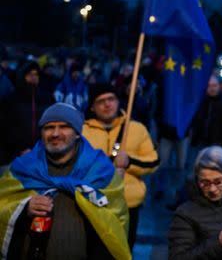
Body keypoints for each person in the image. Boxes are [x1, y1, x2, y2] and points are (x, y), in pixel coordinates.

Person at [0, 103, 130, 259]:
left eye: (64, 126)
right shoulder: (22, 168)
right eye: (48, 127)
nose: (55, 133)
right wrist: (23, 208)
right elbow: (3, 205)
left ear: (77, 133)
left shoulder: (100, 170)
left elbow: (117, 220)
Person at [82, 83, 160, 247]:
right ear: (92, 108)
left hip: (128, 203)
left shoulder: (136, 128)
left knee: (124, 249)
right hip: (93, 203)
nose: (107, 104)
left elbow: (153, 161)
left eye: (111, 99)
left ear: (118, 101)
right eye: (101, 101)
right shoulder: (83, 132)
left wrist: (129, 162)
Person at [0, 61, 54, 167]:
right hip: (14, 156)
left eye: (36, 74)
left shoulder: (46, 98)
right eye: (30, 74)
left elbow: (50, 124)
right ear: (23, 76)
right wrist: (20, 148)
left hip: (41, 155)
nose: (34, 77)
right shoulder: (12, 99)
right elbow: (6, 128)